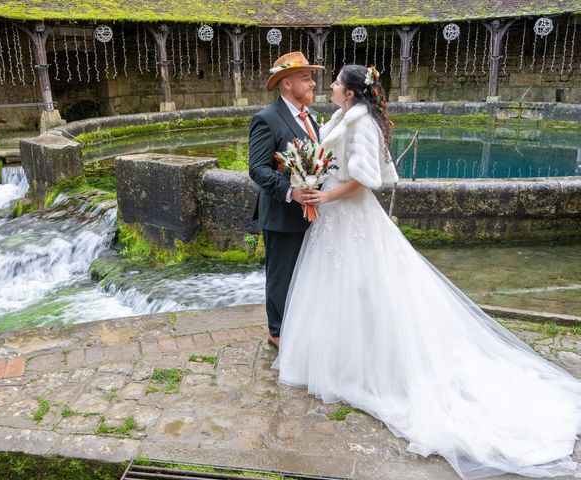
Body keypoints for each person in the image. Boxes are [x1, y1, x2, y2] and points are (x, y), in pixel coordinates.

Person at [274, 64, 581, 479]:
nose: (328, 85)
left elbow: (366, 180)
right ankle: (345, 357)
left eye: (335, 82)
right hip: (335, 221)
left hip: (351, 218)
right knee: (344, 291)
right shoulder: (343, 115)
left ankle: (373, 366)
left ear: (349, 92)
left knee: (367, 288)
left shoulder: (361, 122)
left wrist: (324, 195)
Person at [248, 51, 324, 350]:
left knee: (305, 275)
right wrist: (292, 191)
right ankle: (277, 333)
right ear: (286, 84)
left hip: (312, 213)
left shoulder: (312, 118)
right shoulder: (266, 119)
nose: (313, 84)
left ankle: (300, 326)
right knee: (281, 277)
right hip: (281, 215)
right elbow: (257, 168)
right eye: (306, 78)